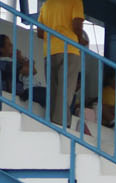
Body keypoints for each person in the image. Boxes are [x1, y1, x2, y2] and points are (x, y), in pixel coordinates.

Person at [38, 0, 91, 129]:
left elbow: (40, 32)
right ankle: (60, 124)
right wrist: (82, 41)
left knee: (53, 89)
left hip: (50, 51)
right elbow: (77, 26)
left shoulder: (46, 5)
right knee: (65, 89)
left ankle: (51, 121)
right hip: (69, 49)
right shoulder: (75, 1)